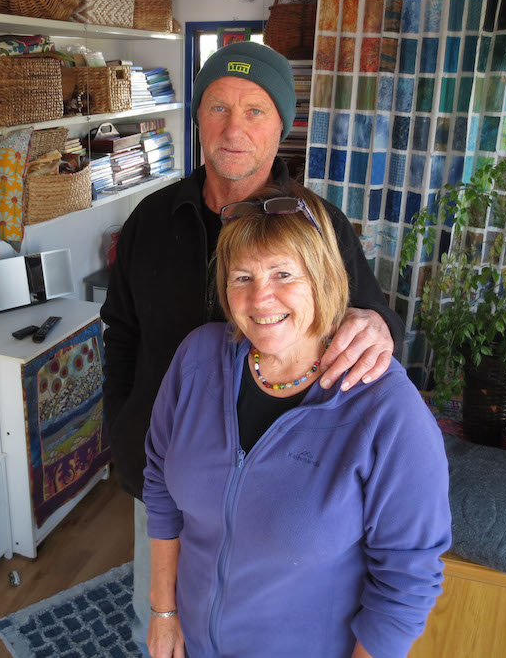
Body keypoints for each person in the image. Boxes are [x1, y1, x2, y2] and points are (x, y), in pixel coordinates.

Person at [100, 41, 404, 635]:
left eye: (255, 110)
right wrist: (123, 425)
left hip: (278, 498)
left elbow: (370, 317)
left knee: (249, 630)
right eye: (217, 108)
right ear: (197, 120)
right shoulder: (149, 222)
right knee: (159, 622)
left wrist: (380, 325)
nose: (233, 128)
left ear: (281, 127)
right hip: (167, 480)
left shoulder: (319, 225)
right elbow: (121, 333)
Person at [143, 183, 451, 657]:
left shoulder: (385, 406)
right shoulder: (198, 359)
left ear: (323, 278)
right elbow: (161, 487)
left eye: (284, 273)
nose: (260, 298)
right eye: (241, 277)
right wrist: (163, 612)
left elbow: (406, 581)